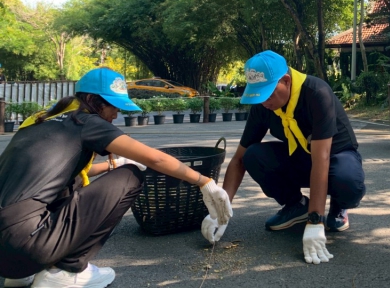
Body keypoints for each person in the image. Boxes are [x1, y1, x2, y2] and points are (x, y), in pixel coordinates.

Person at [0, 67, 231, 288]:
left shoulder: (39, 122)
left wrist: (113, 165)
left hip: (9, 249)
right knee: (130, 177)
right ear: (91, 100)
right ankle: (66, 271)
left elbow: (58, 176)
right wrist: (204, 182)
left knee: (73, 182)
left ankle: (23, 273)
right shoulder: (85, 121)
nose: (115, 114)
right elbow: (155, 159)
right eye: (113, 106)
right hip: (26, 242)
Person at [214, 50, 366, 265]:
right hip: (301, 158)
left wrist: (315, 221)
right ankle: (296, 205)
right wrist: (222, 209)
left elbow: (321, 159)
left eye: (268, 93)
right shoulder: (263, 106)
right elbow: (239, 159)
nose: (263, 101)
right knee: (254, 155)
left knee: (347, 179)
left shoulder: (317, 93)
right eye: (258, 94)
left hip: (335, 158)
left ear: (286, 81)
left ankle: (339, 207)